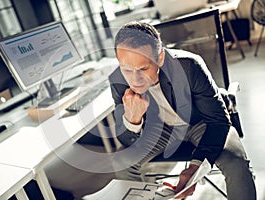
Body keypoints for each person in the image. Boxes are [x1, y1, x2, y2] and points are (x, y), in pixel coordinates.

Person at [108, 21, 256, 199]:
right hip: (159, 130)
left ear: (160, 57)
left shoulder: (188, 66)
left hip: (201, 122)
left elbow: (218, 122)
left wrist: (195, 166)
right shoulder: (117, 80)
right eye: (127, 69)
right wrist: (133, 120)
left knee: (236, 163)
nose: (135, 79)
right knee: (122, 162)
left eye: (143, 68)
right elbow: (126, 140)